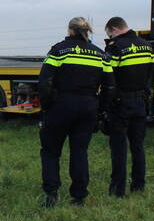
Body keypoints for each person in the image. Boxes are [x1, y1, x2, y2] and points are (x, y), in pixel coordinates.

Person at [38, 17, 115, 207]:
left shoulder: (58, 50)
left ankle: (51, 193)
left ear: (70, 30)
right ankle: (79, 196)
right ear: (86, 31)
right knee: (80, 152)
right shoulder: (100, 54)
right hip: (88, 107)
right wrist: (100, 109)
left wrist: (47, 106)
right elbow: (110, 87)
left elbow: (45, 81)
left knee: (51, 152)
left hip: (60, 107)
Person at [103, 16, 154, 197]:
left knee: (119, 147)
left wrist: (105, 104)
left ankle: (118, 190)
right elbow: (150, 74)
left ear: (115, 29)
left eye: (110, 34)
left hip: (121, 103)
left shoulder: (115, 47)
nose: (110, 38)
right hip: (140, 102)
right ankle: (139, 185)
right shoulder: (147, 46)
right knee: (138, 146)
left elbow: (109, 77)